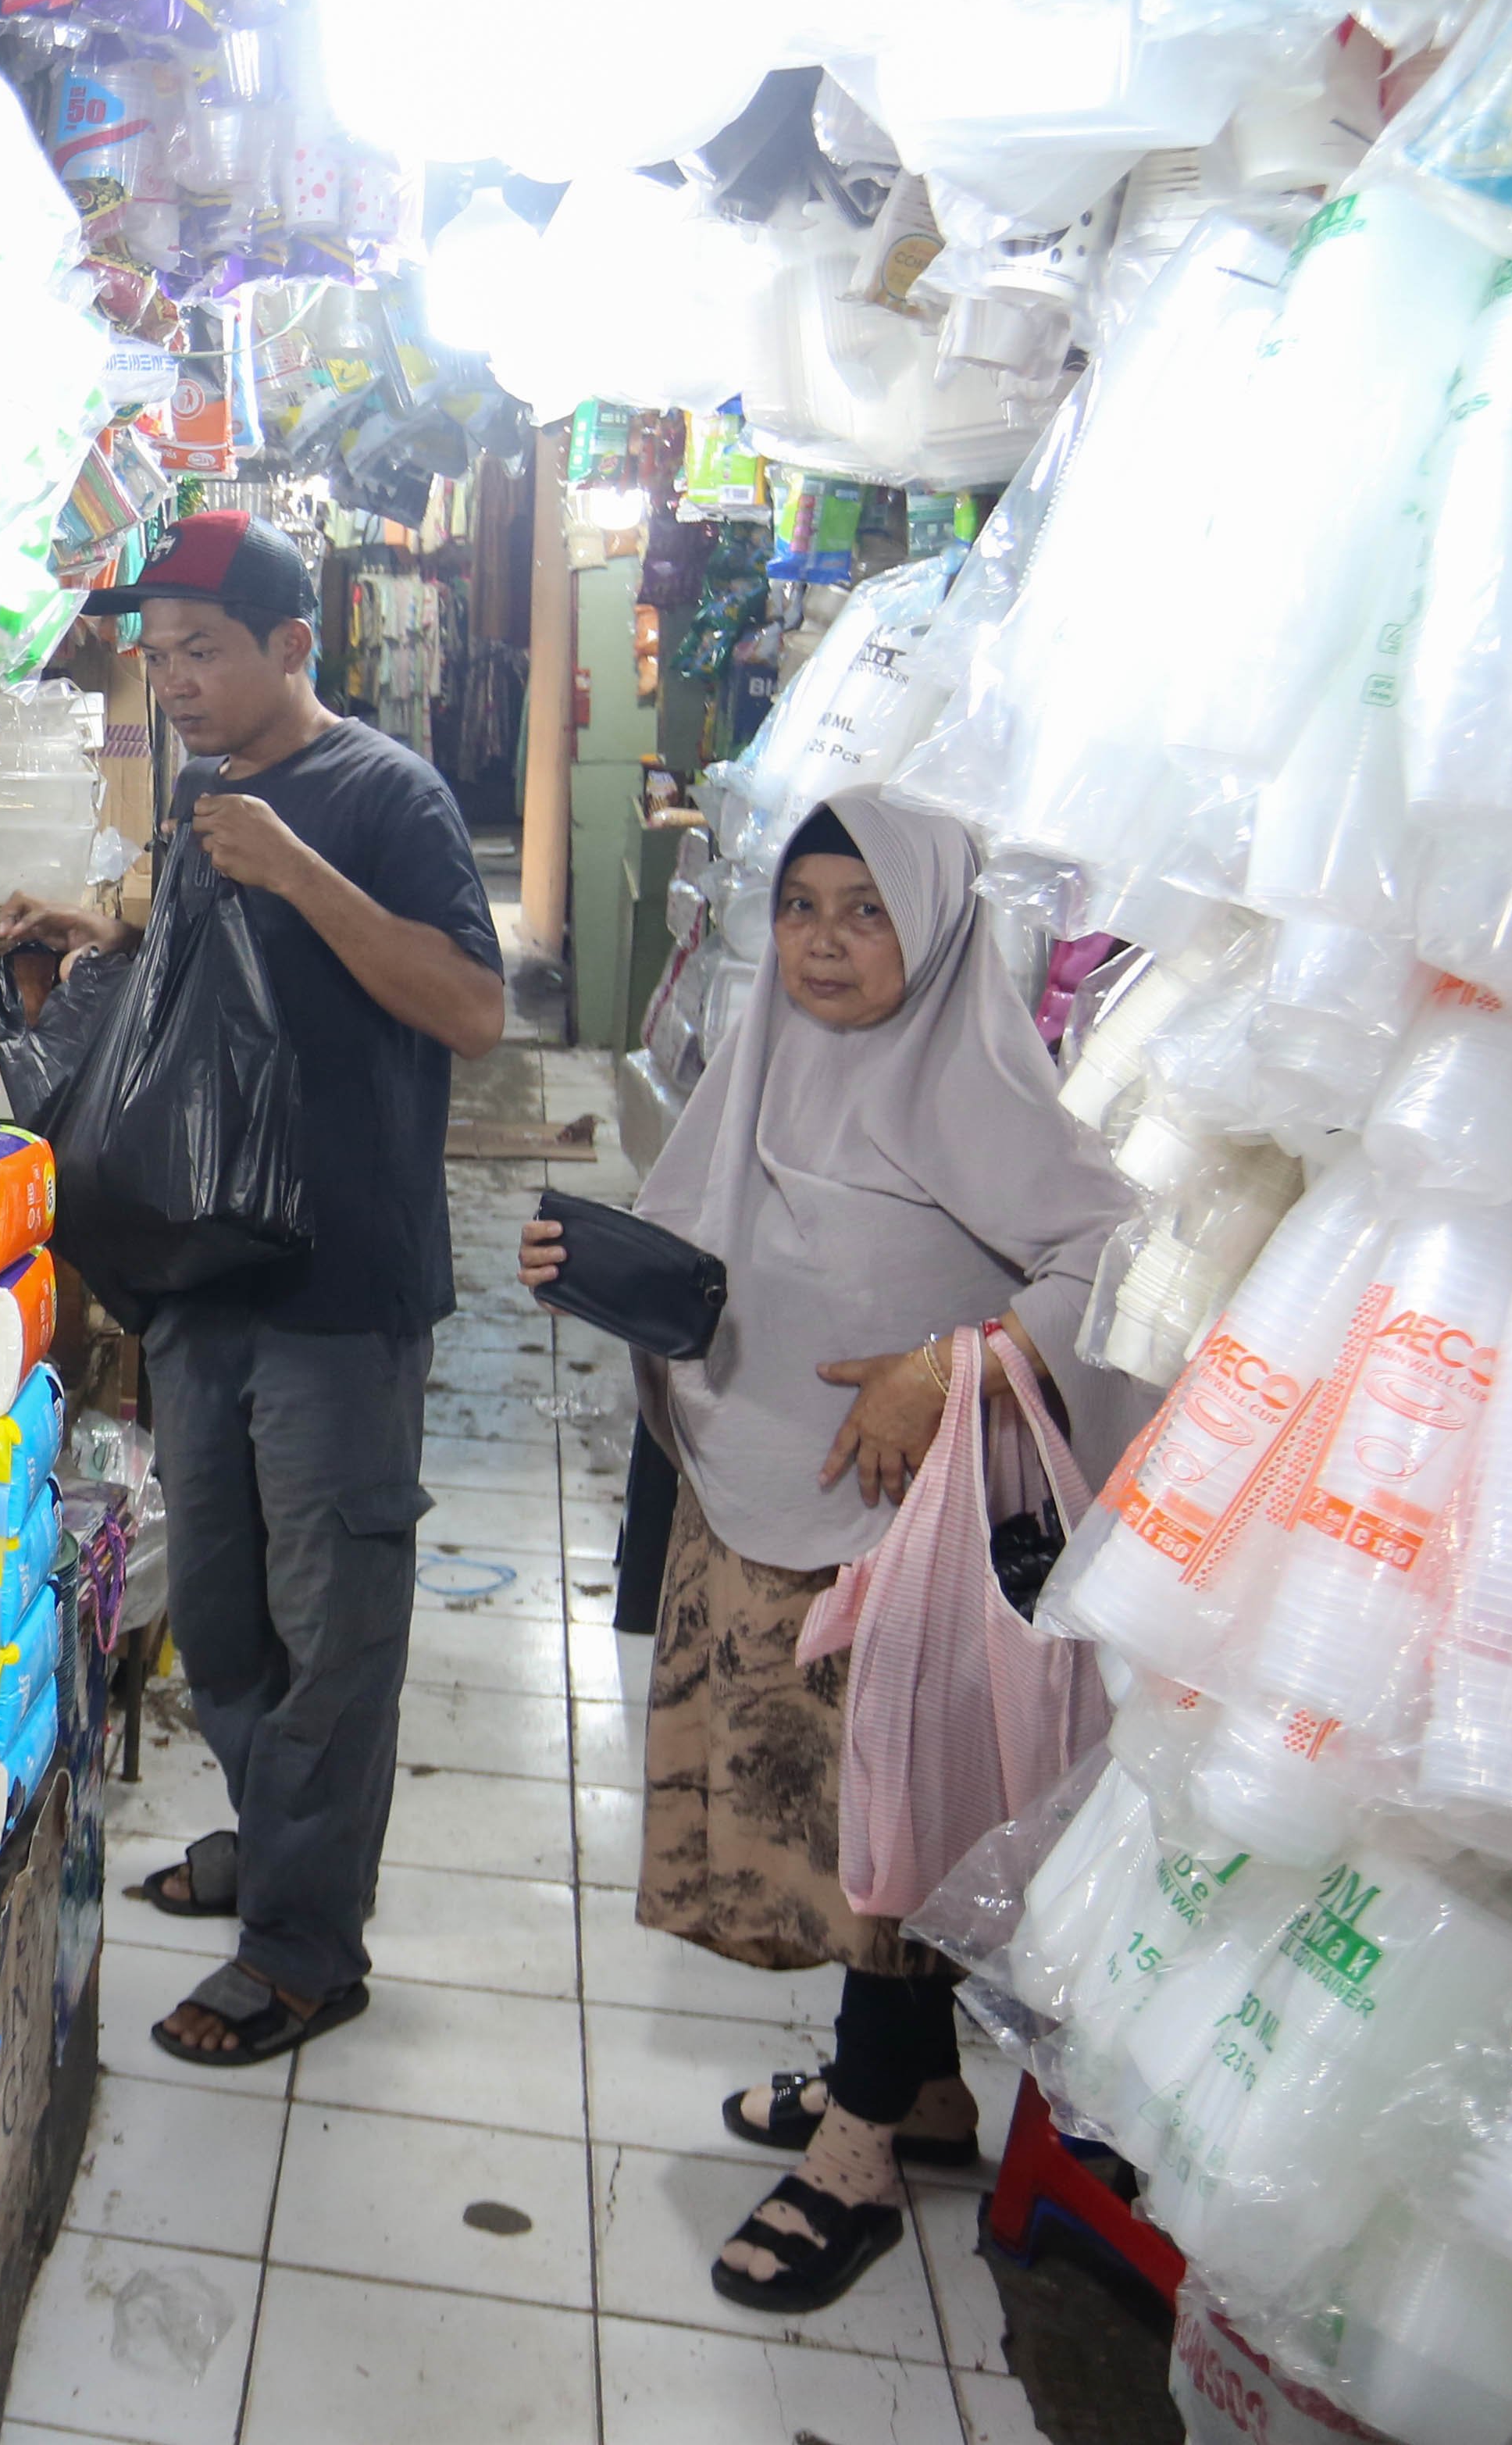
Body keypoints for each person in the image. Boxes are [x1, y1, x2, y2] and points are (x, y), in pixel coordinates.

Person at [518, 790, 1146, 2313]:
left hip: (898, 1543)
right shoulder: (765, 1057)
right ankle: (914, 2092)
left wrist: (953, 1366)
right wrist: (599, 1270)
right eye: (799, 907)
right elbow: (709, 1256)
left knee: (883, 1833)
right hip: (763, 1510)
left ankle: (856, 2155)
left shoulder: (976, 1088)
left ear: (932, 928)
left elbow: (1112, 1252)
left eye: (865, 912)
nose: (821, 942)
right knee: (824, 1836)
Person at [0, 512, 506, 2070]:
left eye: (203, 653)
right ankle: (273, 1843)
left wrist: (299, 870)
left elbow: (471, 1008)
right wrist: (106, 940)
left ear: (293, 645)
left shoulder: (385, 795)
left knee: (330, 1621)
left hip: (339, 1284)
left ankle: (302, 1948)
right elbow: (221, 981)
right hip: (202, 1270)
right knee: (220, 1613)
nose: (175, 685)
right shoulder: (203, 792)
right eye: (158, 659)